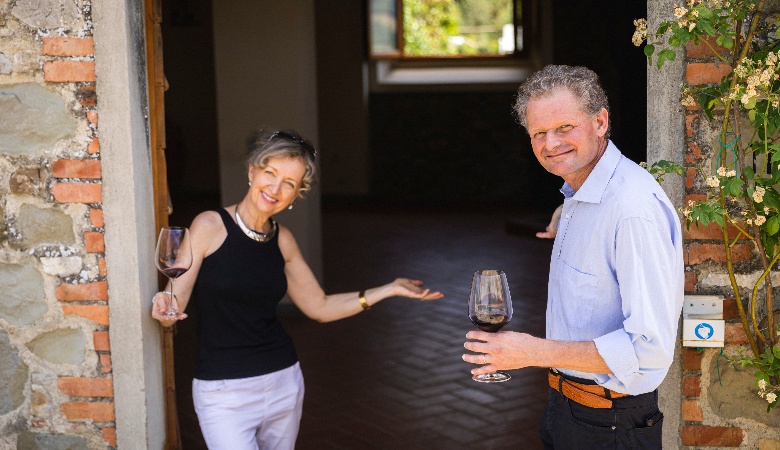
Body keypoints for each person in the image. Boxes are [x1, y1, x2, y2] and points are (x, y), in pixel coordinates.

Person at [151, 129, 443, 450]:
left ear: (296, 195)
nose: (275, 188)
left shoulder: (283, 240)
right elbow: (172, 301)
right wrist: (163, 307)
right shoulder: (208, 226)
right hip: (223, 392)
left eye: (289, 183)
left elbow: (319, 306)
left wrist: (387, 289)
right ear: (252, 171)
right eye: (270, 173)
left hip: (282, 383)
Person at [462, 65, 684, 449]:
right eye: (538, 134)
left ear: (600, 121)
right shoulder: (580, 192)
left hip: (611, 424)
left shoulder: (632, 210)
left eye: (564, 128)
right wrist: (567, 213)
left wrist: (532, 352)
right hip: (567, 408)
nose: (551, 144)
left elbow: (648, 349)